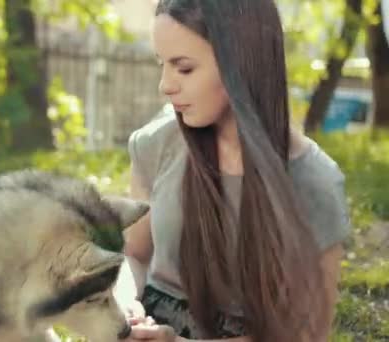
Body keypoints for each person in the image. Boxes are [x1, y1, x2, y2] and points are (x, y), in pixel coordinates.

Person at [118, 0, 351, 341]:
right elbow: (133, 254)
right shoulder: (158, 143)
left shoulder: (315, 183)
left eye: (183, 68)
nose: (165, 85)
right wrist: (123, 304)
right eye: (162, 65)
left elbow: (307, 334)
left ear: (240, 65)